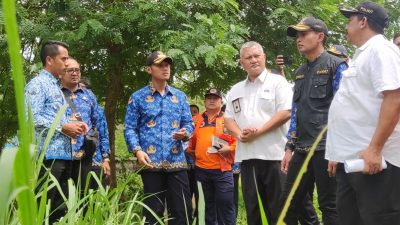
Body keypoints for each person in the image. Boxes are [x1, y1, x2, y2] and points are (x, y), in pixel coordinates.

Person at [326, 2, 400, 224]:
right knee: (351, 218)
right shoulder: (362, 55)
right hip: (351, 159)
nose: (347, 25)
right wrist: (337, 153)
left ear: (363, 21)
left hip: (374, 161)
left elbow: (394, 98)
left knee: (378, 218)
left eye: (350, 19)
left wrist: (375, 149)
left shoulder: (382, 50)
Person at [281, 17, 348, 225]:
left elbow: (344, 110)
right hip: (301, 148)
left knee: (330, 204)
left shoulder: (337, 66)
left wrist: (339, 149)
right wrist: (289, 147)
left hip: (327, 147)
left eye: (303, 34)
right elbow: (296, 111)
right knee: (289, 202)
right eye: (297, 36)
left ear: (320, 37)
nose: (298, 39)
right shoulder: (300, 72)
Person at [224, 41, 293, 225]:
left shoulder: (278, 82)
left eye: (257, 56)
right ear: (242, 62)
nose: (253, 60)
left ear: (264, 58)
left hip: (275, 157)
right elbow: (228, 119)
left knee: (280, 211)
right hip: (248, 159)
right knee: (254, 211)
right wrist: (239, 134)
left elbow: (286, 112)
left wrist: (259, 132)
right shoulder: (236, 89)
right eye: (248, 57)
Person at [124, 51, 194, 225]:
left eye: (167, 65)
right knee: (151, 213)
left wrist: (184, 133)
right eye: (160, 65)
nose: (165, 69)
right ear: (149, 69)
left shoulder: (180, 96)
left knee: (181, 212)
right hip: (150, 161)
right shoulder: (137, 97)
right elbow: (130, 128)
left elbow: (189, 124)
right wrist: (137, 151)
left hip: (177, 161)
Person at [25, 40, 88, 224]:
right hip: (46, 158)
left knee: (58, 212)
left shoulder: (55, 86)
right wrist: (63, 127)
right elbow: (31, 118)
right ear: (49, 60)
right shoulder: (37, 84)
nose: (67, 63)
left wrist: (72, 125)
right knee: (43, 209)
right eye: (64, 58)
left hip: (63, 157)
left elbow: (52, 117)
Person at [188, 88, 236, 225]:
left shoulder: (229, 120)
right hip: (201, 171)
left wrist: (230, 148)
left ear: (221, 102)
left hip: (223, 171)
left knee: (225, 206)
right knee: (206, 208)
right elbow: (190, 144)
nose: (212, 100)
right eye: (209, 98)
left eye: (215, 98)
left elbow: (239, 141)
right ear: (204, 101)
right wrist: (192, 150)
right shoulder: (195, 120)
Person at [60, 58, 100, 195]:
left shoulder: (89, 95)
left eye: (77, 70)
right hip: (60, 157)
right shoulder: (55, 93)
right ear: (61, 72)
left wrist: (100, 157)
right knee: (60, 201)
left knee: (84, 199)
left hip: (85, 157)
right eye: (70, 70)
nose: (75, 73)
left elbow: (97, 126)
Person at [79, 77, 111, 188]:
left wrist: (106, 159)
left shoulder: (98, 110)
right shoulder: (65, 106)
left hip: (96, 160)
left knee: (96, 198)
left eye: (83, 88)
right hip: (75, 160)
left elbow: (103, 135)